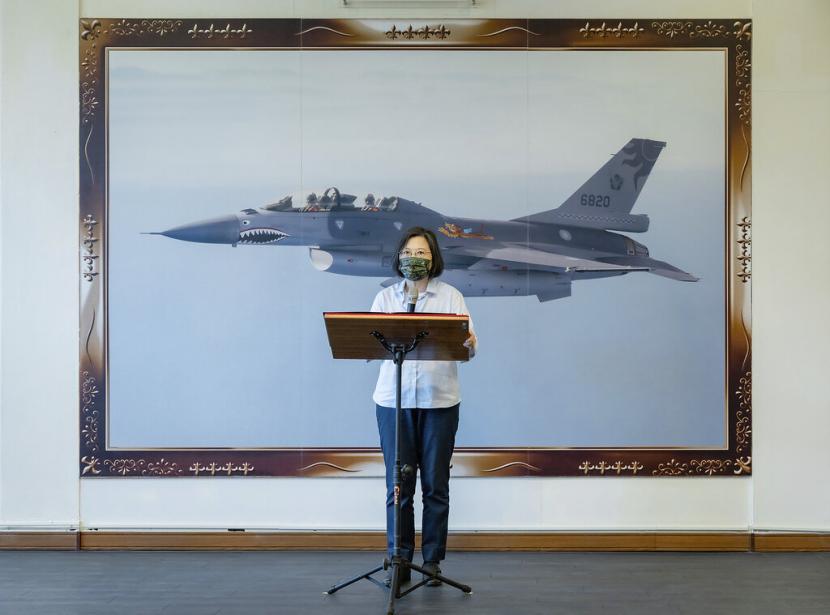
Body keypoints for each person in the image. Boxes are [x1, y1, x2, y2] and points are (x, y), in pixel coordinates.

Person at [369, 226, 477, 587]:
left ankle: (431, 562)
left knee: (435, 484)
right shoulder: (385, 299)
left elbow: (468, 348)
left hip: (439, 401)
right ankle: (398, 560)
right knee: (398, 485)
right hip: (393, 403)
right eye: (409, 253)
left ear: (434, 259)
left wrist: (469, 342)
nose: (414, 260)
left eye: (422, 254)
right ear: (399, 257)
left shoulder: (451, 297)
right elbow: (368, 346)